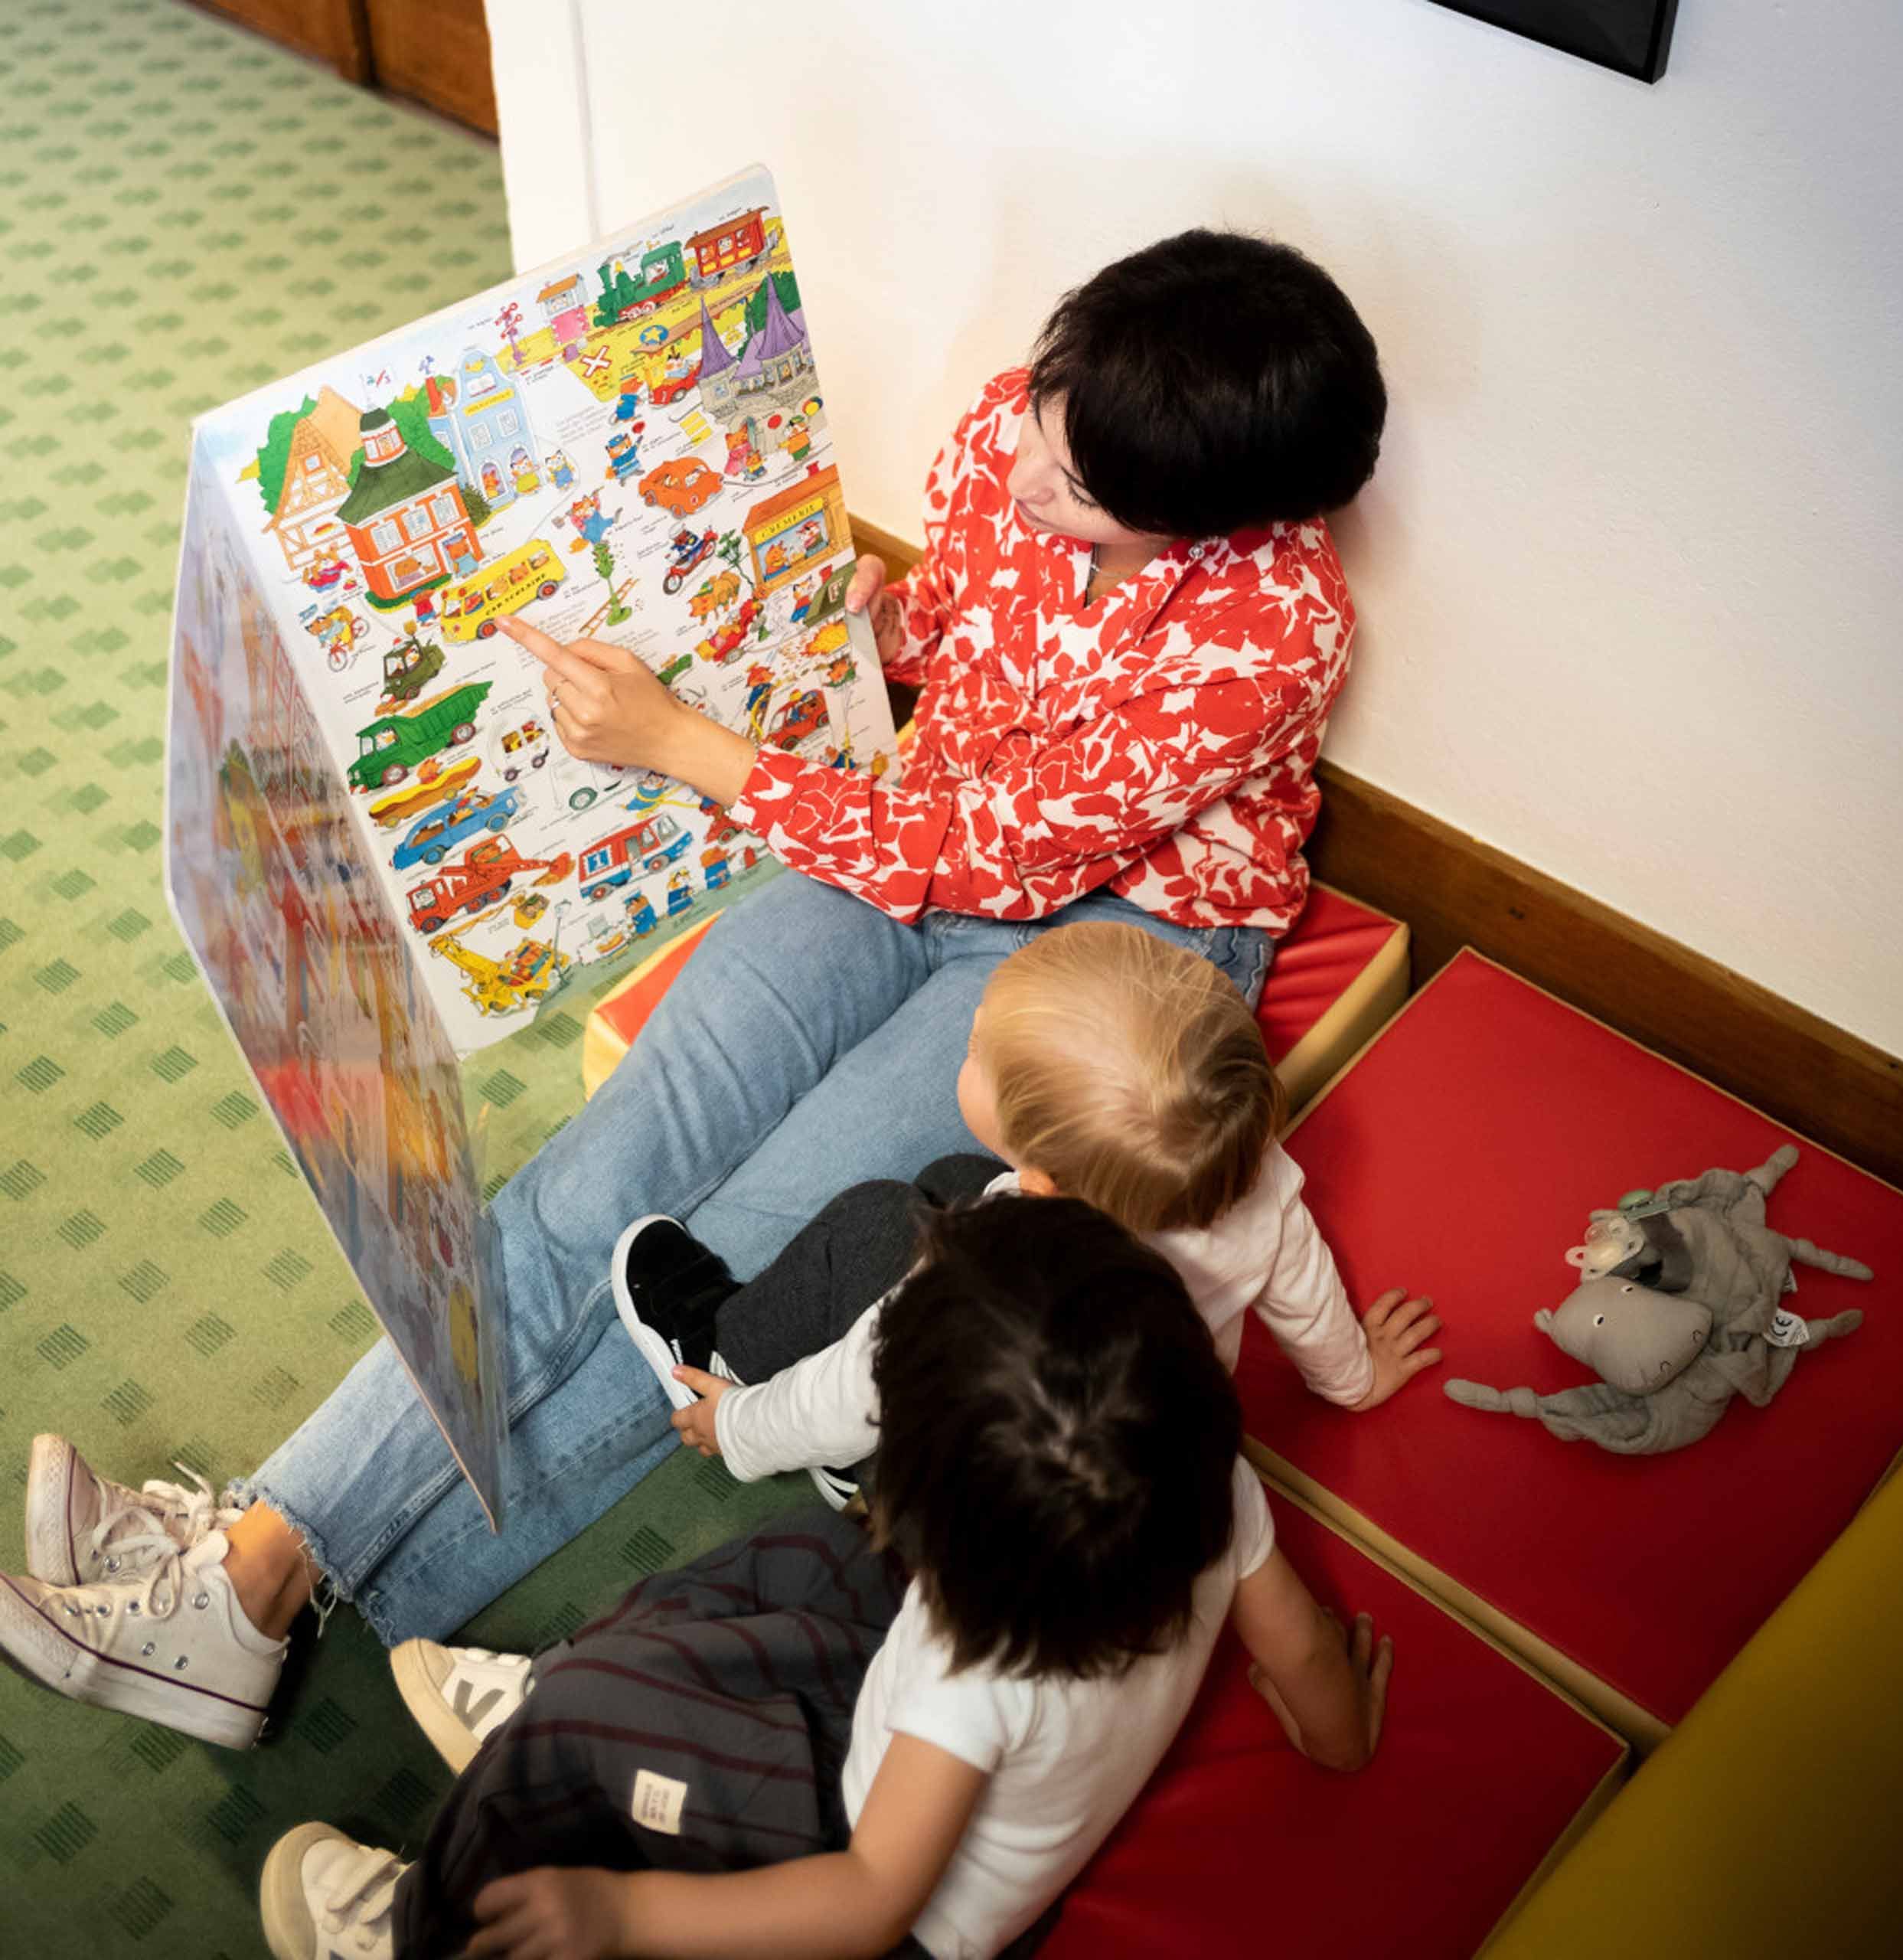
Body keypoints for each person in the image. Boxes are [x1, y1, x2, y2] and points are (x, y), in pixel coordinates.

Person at [1, 228, 1388, 1746]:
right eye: (1047, 417)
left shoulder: (1278, 628)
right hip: (913, 830)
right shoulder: (1025, 418)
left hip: (1109, 950)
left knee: (715, 1270)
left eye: (1082, 481)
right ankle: (257, 1559)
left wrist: (688, 746)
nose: (1031, 465)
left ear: (1209, 520)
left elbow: (989, 852)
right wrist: (866, 631)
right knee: (594, 1175)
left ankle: (261, 1585)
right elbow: (971, 639)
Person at [259, 1200, 1395, 1960]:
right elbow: (1298, 1649)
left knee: (574, 1728)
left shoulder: (971, 1681)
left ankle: (419, 1927)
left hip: (856, 1868)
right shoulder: (1200, 1485)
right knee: (794, 1559)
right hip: (926, 1699)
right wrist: (1338, 1735)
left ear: (940, 1510)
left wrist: (625, 1912)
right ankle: (597, 1699)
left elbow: (868, 1901)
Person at [609, 922, 1439, 1511]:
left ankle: (733, 1350)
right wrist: (1353, 1379)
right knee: (952, 1176)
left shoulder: (991, 1253)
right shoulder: (1253, 1177)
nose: (968, 1033)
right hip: (1086, 1440)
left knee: (870, 1215)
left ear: (1040, 1184)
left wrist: (743, 1431)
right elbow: (1307, 1293)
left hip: (948, 1472)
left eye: (977, 1050)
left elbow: (858, 1388)